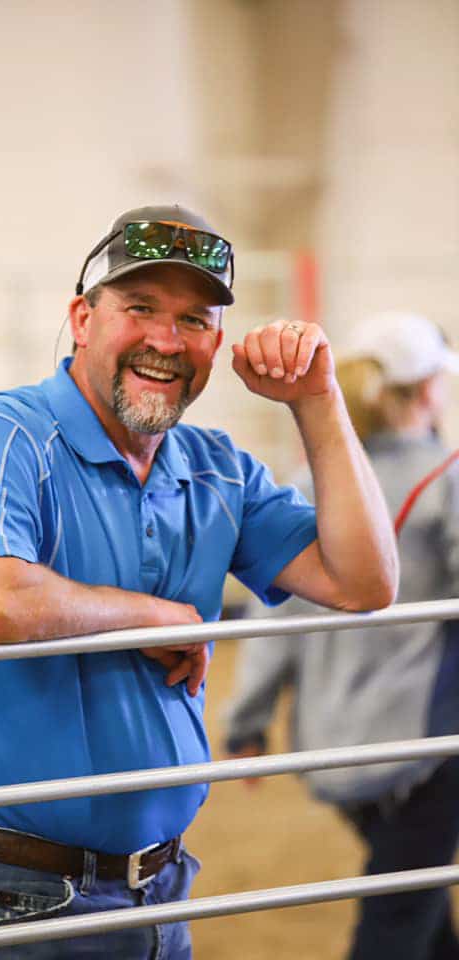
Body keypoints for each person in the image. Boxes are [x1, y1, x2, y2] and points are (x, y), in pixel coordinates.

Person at [0, 204, 397, 958]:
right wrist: (157, 616)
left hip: (158, 883)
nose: (167, 341)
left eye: (194, 319)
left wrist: (318, 402)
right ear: (82, 318)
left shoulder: (217, 467)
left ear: (216, 343)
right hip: (7, 892)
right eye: (140, 307)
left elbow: (364, 581)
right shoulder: (3, 432)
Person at [224, 311, 459, 960]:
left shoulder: (313, 483)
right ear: (428, 390)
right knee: (398, 919)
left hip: (332, 748)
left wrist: (246, 720)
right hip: (429, 749)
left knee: (416, 895)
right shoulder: (449, 478)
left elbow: (272, 622)